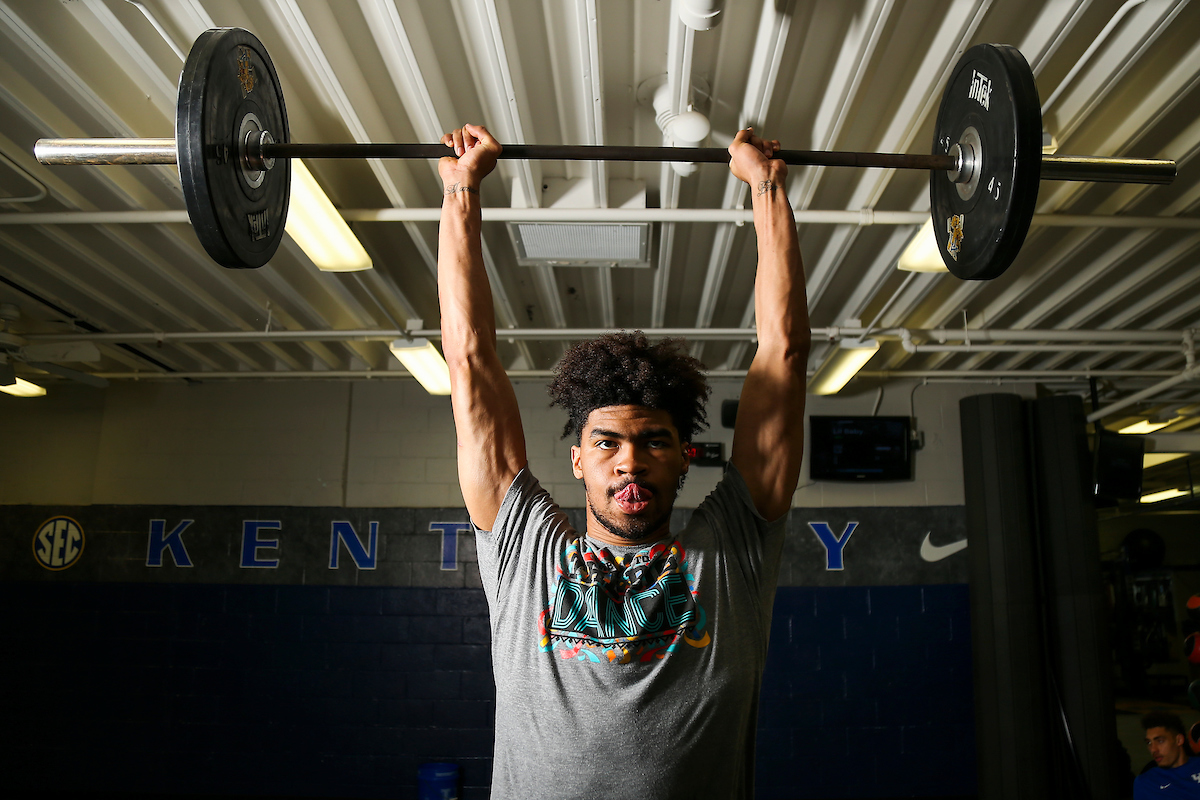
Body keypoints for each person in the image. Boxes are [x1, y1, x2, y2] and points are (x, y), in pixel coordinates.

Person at [436, 123, 809, 799]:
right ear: (578, 461)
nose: (629, 463)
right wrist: (461, 192)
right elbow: (468, 359)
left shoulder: (729, 556)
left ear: (683, 460)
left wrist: (767, 187)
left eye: (653, 443)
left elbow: (782, 354)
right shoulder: (528, 555)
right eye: (607, 443)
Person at [1134, 712, 1200, 798]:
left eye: (1160, 741)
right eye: (1149, 742)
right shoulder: (1146, 783)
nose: (1153, 749)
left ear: (1179, 740)